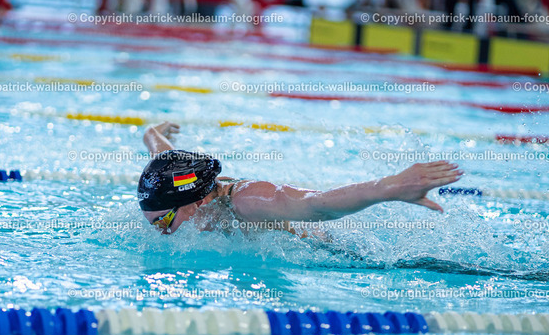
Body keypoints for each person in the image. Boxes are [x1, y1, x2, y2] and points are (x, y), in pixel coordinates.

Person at [138, 122, 464, 235]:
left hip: (330, 251)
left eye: (163, 221)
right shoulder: (182, 183)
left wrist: (388, 187)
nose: (160, 231)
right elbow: (163, 156)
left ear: (195, 203)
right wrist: (152, 133)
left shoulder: (248, 201)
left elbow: (316, 205)